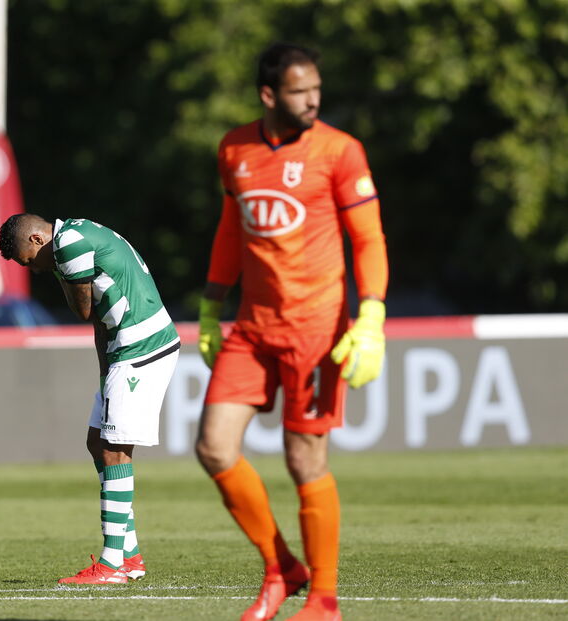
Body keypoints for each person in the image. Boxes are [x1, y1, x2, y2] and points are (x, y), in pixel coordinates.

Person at [195, 42, 388, 621]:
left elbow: (369, 239)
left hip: (315, 328)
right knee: (213, 447)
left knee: (304, 461)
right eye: (301, 91)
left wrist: (372, 315)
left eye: (317, 91)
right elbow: (233, 227)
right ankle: (282, 568)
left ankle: (323, 600)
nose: (313, 100)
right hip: (253, 327)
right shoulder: (235, 148)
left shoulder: (340, 150)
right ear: (269, 95)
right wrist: (210, 305)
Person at [0, 213, 180, 585]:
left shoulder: (69, 246)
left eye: (30, 263)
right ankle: (129, 556)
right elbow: (99, 320)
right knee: (98, 442)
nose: (34, 271)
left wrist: (58, 272)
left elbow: (81, 311)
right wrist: (105, 371)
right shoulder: (76, 233)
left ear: (37, 238)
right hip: (125, 349)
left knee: (115, 450)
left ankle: (112, 564)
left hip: (141, 348)